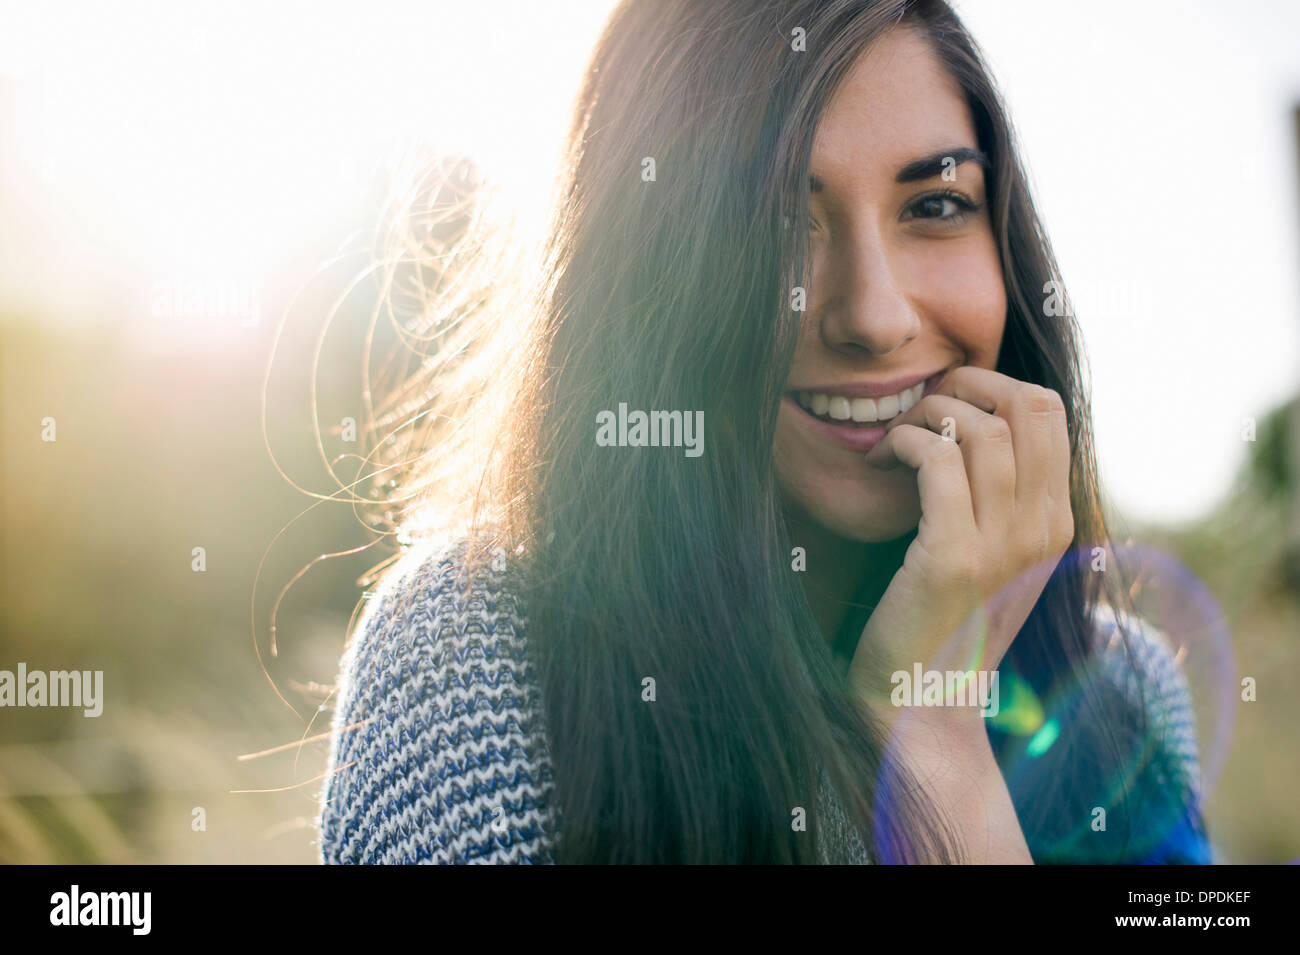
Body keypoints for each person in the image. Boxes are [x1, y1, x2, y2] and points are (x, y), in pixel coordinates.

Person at [317, 0, 1212, 864]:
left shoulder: (1124, 689)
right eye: (774, 220)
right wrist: (920, 721)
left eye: (934, 204)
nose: (875, 315)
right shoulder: (466, 665)